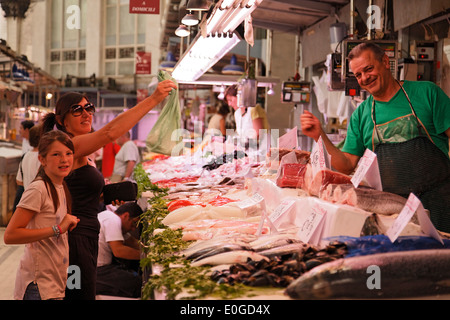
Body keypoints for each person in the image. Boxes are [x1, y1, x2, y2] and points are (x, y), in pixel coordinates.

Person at [40, 79, 176, 300]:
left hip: (85, 237)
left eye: (89, 108)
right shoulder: (69, 146)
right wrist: (154, 99)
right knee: (76, 296)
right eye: (77, 110)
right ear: (61, 120)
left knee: (82, 295)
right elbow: (109, 133)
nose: (86, 114)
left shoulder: (80, 149)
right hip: (73, 242)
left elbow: (76, 192)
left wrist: (105, 194)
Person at [300, 42, 450, 232]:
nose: (364, 78)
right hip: (392, 210)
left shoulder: (427, 93)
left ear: (386, 62)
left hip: (440, 203)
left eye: (368, 69)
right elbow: (346, 164)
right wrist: (319, 136)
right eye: (358, 75)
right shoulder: (361, 114)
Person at [4, 130, 80, 300]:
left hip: (54, 282)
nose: (64, 159)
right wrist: (57, 229)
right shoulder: (38, 189)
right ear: (42, 159)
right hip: (38, 285)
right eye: (56, 154)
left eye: (68, 153)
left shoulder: (60, 186)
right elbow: (10, 235)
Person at [96, 202, 143, 298]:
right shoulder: (113, 220)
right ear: (126, 216)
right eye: (134, 223)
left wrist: (148, 249)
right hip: (99, 271)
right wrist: (146, 256)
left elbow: (132, 242)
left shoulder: (108, 215)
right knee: (137, 283)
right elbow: (119, 251)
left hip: (99, 268)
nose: (133, 229)